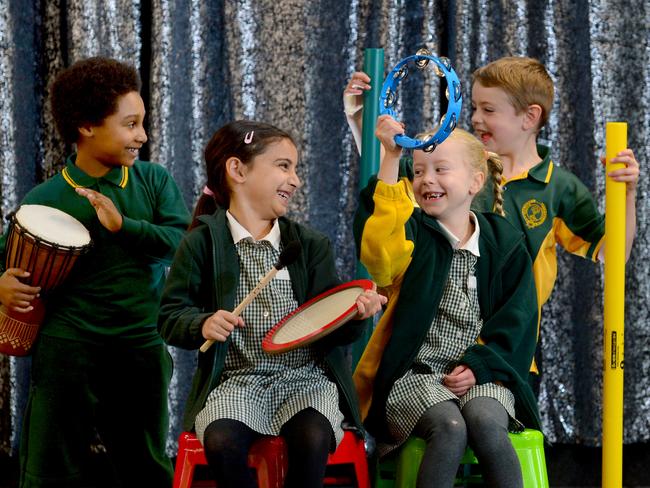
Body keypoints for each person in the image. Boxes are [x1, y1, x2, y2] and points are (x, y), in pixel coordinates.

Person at [344, 56, 639, 376]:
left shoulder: (559, 187)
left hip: (507, 355)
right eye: (473, 107)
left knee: (493, 423)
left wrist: (628, 195)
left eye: (488, 109)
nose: (475, 118)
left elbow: (614, 252)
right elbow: (387, 176)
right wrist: (360, 116)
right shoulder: (456, 167)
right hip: (432, 348)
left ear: (529, 117)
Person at [157, 120, 386, 488]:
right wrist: (202, 323)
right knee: (221, 440)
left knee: (312, 436)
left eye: (295, 169)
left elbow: (336, 329)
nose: (295, 179)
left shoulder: (309, 245)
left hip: (305, 381)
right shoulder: (202, 243)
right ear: (237, 170)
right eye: (283, 166)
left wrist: (357, 314)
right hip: (236, 383)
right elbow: (170, 317)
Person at [0, 57, 190, 488]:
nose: (142, 135)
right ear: (87, 126)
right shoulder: (45, 198)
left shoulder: (154, 182)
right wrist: (3, 285)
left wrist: (125, 227)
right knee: (51, 467)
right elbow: (4, 261)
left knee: (144, 465)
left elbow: (181, 244)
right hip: (67, 351)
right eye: (130, 124)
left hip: (140, 346)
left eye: (142, 123)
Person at [353, 115, 540, 487]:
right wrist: (391, 159)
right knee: (450, 426)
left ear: (475, 181)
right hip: (415, 376)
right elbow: (379, 257)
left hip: (483, 374)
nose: (427, 180)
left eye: (441, 169)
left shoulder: (504, 242)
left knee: (486, 421)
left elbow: (517, 321)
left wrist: (478, 368)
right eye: (419, 171)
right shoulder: (410, 231)